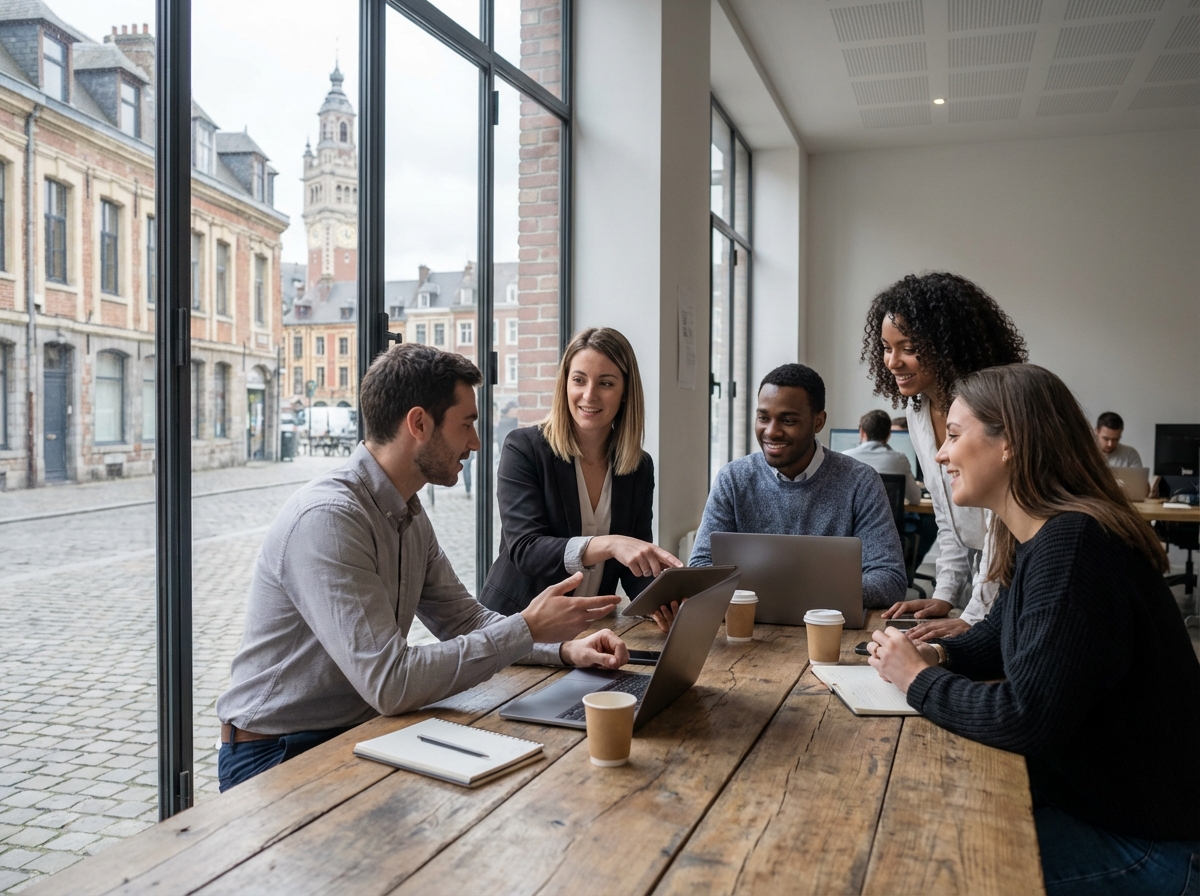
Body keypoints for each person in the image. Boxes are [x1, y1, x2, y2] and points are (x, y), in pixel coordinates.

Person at [216, 344, 629, 790]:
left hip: (360, 733)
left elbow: (465, 619)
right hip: (276, 754)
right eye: (467, 424)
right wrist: (526, 628)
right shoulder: (329, 519)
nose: (475, 442)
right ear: (418, 423)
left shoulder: (408, 511)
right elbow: (391, 683)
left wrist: (566, 650)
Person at [866, 364, 1200, 896]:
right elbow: (996, 638)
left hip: (1151, 844)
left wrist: (917, 680)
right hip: (1100, 807)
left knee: (922, 873)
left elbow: (1028, 717)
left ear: (1011, 443)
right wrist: (939, 658)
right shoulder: (1046, 537)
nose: (940, 453)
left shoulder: (1074, 550)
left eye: (954, 436)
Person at [862, 272, 1028, 640]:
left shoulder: (992, 409)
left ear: (945, 344)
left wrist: (974, 616)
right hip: (984, 582)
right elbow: (947, 514)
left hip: (1019, 580)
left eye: (907, 347)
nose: (892, 361)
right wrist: (944, 595)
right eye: (887, 348)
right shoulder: (917, 409)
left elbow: (999, 527)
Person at [480, 328, 682, 630]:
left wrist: (660, 601)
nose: (589, 395)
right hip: (515, 627)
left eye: (606, 383)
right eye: (579, 380)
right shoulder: (523, 448)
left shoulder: (638, 466)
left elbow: (632, 567)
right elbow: (526, 549)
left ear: (625, 391)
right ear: (564, 385)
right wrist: (611, 544)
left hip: (591, 628)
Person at [689, 363, 906, 610]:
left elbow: (890, 580)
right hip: (749, 630)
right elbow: (701, 566)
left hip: (829, 632)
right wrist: (809, 591)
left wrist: (798, 592)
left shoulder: (861, 482)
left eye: (788, 420)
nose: (771, 432)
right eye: (763, 417)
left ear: (818, 422)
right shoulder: (733, 479)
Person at [843, 409, 921, 504]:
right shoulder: (900, 459)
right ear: (888, 435)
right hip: (889, 519)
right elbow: (915, 499)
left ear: (862, 432)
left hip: (855, 519)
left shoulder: (844, 458)